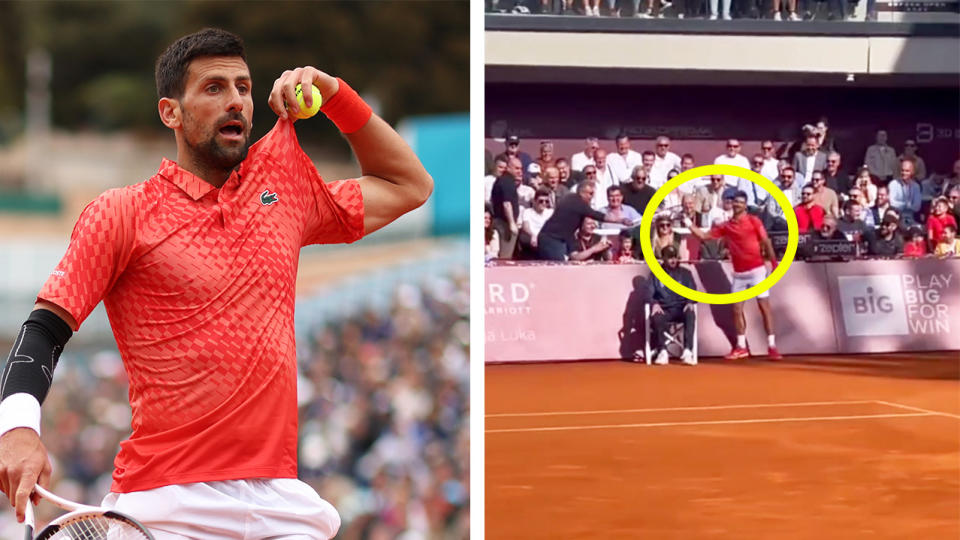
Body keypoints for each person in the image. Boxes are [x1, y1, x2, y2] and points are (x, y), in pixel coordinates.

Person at [0, 28, 433, 537]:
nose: (235, 101)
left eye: (243, 88)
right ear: (171, 113)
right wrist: (18, 429)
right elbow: (44, 330)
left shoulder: (283, 190)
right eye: (213, 88)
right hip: (166, 505)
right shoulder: (122, 213)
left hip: (281, 500)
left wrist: (334, 93)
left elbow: (410, 185)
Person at [684, 191, 782, 361]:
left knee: (764, 308)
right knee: (736, 310)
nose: (737, 204)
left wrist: (773, 263)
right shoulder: (726, 225)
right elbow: (705, 237)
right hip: (739, 274)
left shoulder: (754, 221)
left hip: (757, 271)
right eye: (734, 202)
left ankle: (772, 346)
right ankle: (741, 347)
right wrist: (689, 225)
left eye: (740, 202)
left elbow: (766, 241)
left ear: (745, 205)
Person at [537, 181, 633, 261]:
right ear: (582, 192)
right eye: (590, 193)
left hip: (562, 239)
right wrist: (621, 220)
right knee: (558, 267)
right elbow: (598, 216)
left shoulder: (573, 202)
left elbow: (570, 229)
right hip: (551, 239)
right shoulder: (575, 201)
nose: (592, 197)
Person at [647, 246, 697, 366]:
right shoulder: (655, 274)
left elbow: (693, 291)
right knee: (657, 315)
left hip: (681, 308)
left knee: (690, 313)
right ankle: (662, 351)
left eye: (675, 257)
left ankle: (688, 351)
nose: (673, 260)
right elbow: (648, 293)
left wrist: (690, 301)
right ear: (663, 258)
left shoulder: (685, 274)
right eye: (669, 258)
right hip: (664, 310)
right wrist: (654, 303)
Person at [491, 156, 522, 259]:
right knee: (505, 257)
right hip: (504, 225)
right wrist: (512, 223)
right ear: (508, 167)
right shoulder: (507, 181)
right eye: (516, 168)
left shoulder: (503, 180)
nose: (519, 171)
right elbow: (507, 204)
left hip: (502, 222)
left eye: (521, 168)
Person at [518, 188, 554, 258]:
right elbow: (525, 226)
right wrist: (533, 235)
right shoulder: (527, 212)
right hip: (531, 237)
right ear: (534, 201)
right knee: (524, 238)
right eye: (541, 201)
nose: (544, 203)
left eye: (546, 201)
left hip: (545, 238)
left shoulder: (550, 212)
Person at [888, 158, 922, 224]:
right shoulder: (893, 184)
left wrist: (905, 206)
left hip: (911, 217)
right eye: (902, 170)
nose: (904, 173)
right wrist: (907, 205)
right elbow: (892, 202)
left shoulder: (916, 186)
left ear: (912, 172)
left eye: (907, 171)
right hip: (896, 216)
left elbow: (917, 206)